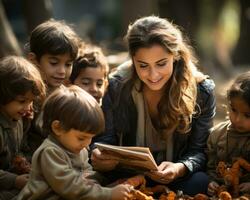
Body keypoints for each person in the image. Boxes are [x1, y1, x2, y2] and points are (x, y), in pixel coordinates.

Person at [91, 16, 216, 196]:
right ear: (133, 60)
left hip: (177, 179)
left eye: (161, 63)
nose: (153, 74)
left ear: (175, 56)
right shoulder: (117, 85)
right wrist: (98, 155)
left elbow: (199, 151)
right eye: (143, 66)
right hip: (125, 177)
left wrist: (180, 168)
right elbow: (103, 140)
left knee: (200, 182)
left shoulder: (202, 90)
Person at [17, 85, 132, 200]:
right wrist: (108, 194)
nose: (87, 143)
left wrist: (110, 185)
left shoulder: (80, 149)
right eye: (81, 138)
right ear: (58, 128)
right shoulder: (50, 152)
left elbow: (87, 176)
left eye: (91, 137)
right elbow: (70, 186)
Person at [25, 19, 80, 155]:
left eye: (68, 64)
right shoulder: (25, 95)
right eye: (54, 63)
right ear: (33, 60)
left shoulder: (66, 97)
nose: (62, 71)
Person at [0, 56, 45, 200]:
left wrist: (26, 124)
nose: (28, 107)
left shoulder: (18, 118)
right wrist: (15, 180)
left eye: (31, 101)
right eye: (22, 101)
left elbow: (18, 147)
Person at [207, 71, 250, 196]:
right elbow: (210, 165)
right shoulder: (217, 134)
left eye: (247, 115)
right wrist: (212, 181)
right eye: (234, 110)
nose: (237, 119)